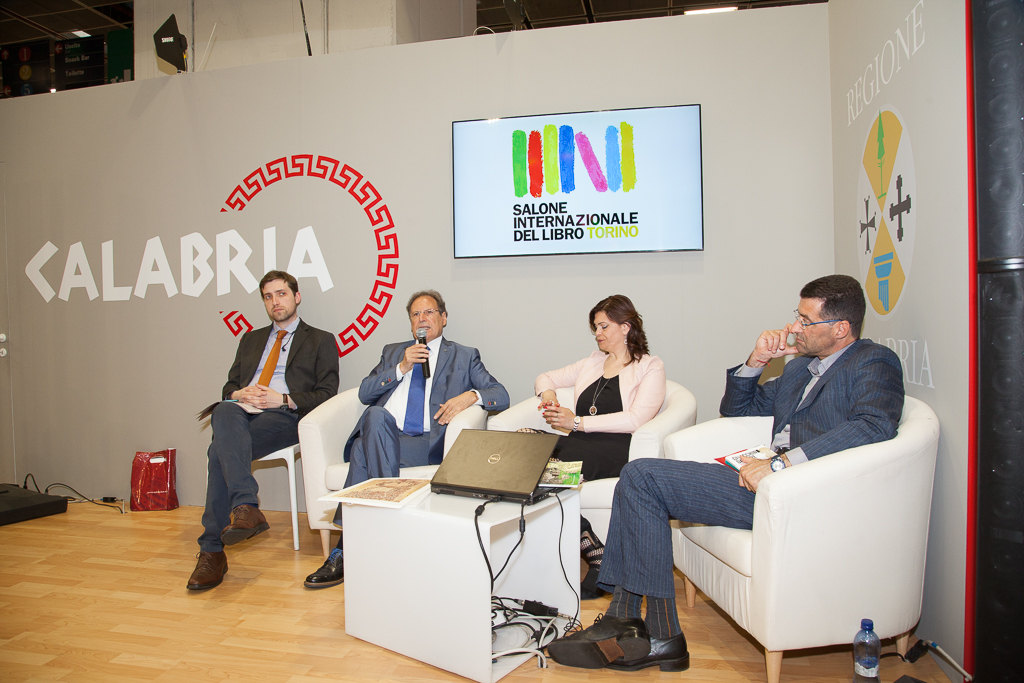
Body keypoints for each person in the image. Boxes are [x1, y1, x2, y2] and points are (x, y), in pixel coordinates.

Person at [546, 274, 904, 672]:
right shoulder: (800, 369)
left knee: (641, 476)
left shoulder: (873, 361)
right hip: (759, 478)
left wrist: (782, 463)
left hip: (798, 490)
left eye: (806, 321)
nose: (794, 327)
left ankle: (645, 629)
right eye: (797, 316)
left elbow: (873, 425)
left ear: (840, 328)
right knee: (638, 477)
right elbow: (736, 409)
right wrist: (756, 362)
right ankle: (639, 624)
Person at [303, 289, 510, 588]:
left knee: (362, 450)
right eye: (415, 314)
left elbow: (500, 394)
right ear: (411, 322)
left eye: (429, 312)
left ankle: (343, 551)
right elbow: (365, 393)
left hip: (425, 443)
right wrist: (401, 367)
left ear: (444, 318)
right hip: (386, 434)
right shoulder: (393, 352)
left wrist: (470, 396)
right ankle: (389, 534)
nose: (422, 318)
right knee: (375, 418)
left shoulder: (464, 355)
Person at [188, 271, 339, 591]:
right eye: (268, 297)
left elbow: (327, 394)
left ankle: (212, 550)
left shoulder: (321, 339)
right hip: (243, 412)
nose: (275, 302)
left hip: (286, 416)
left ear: (296, 297)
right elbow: (229, 387)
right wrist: (239, 393)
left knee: (217, 451)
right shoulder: (251, 339)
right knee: (224, 408)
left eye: (281, 294)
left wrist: (282, 399)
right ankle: (246, 508)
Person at [534, 295, 665, 598]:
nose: (598, 333)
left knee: (542, 470)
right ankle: (593, 547)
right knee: (524, 444)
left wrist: (577, 422)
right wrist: (549, 397)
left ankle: (593, 554)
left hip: (618, 447)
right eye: (595, 327)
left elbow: (636, 419)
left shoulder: (649, 366)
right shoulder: (592, 361)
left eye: (604, 326)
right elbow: (544, 377)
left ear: (626, 327)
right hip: (580, 442)